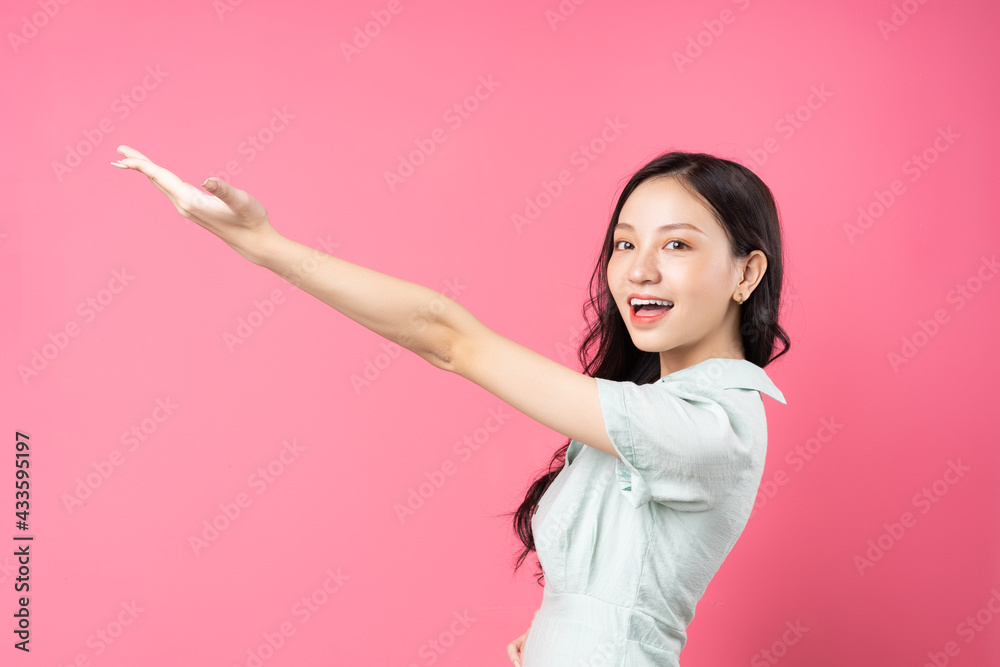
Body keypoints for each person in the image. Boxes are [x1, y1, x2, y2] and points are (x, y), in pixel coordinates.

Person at [111, 146, 790, 666]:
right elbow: (624, 593)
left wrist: (267, 246)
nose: (638, 269)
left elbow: (449, 337)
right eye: (624, 243)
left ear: (746, 273)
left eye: (676, 244)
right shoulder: (651, 413)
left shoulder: (711, 426)